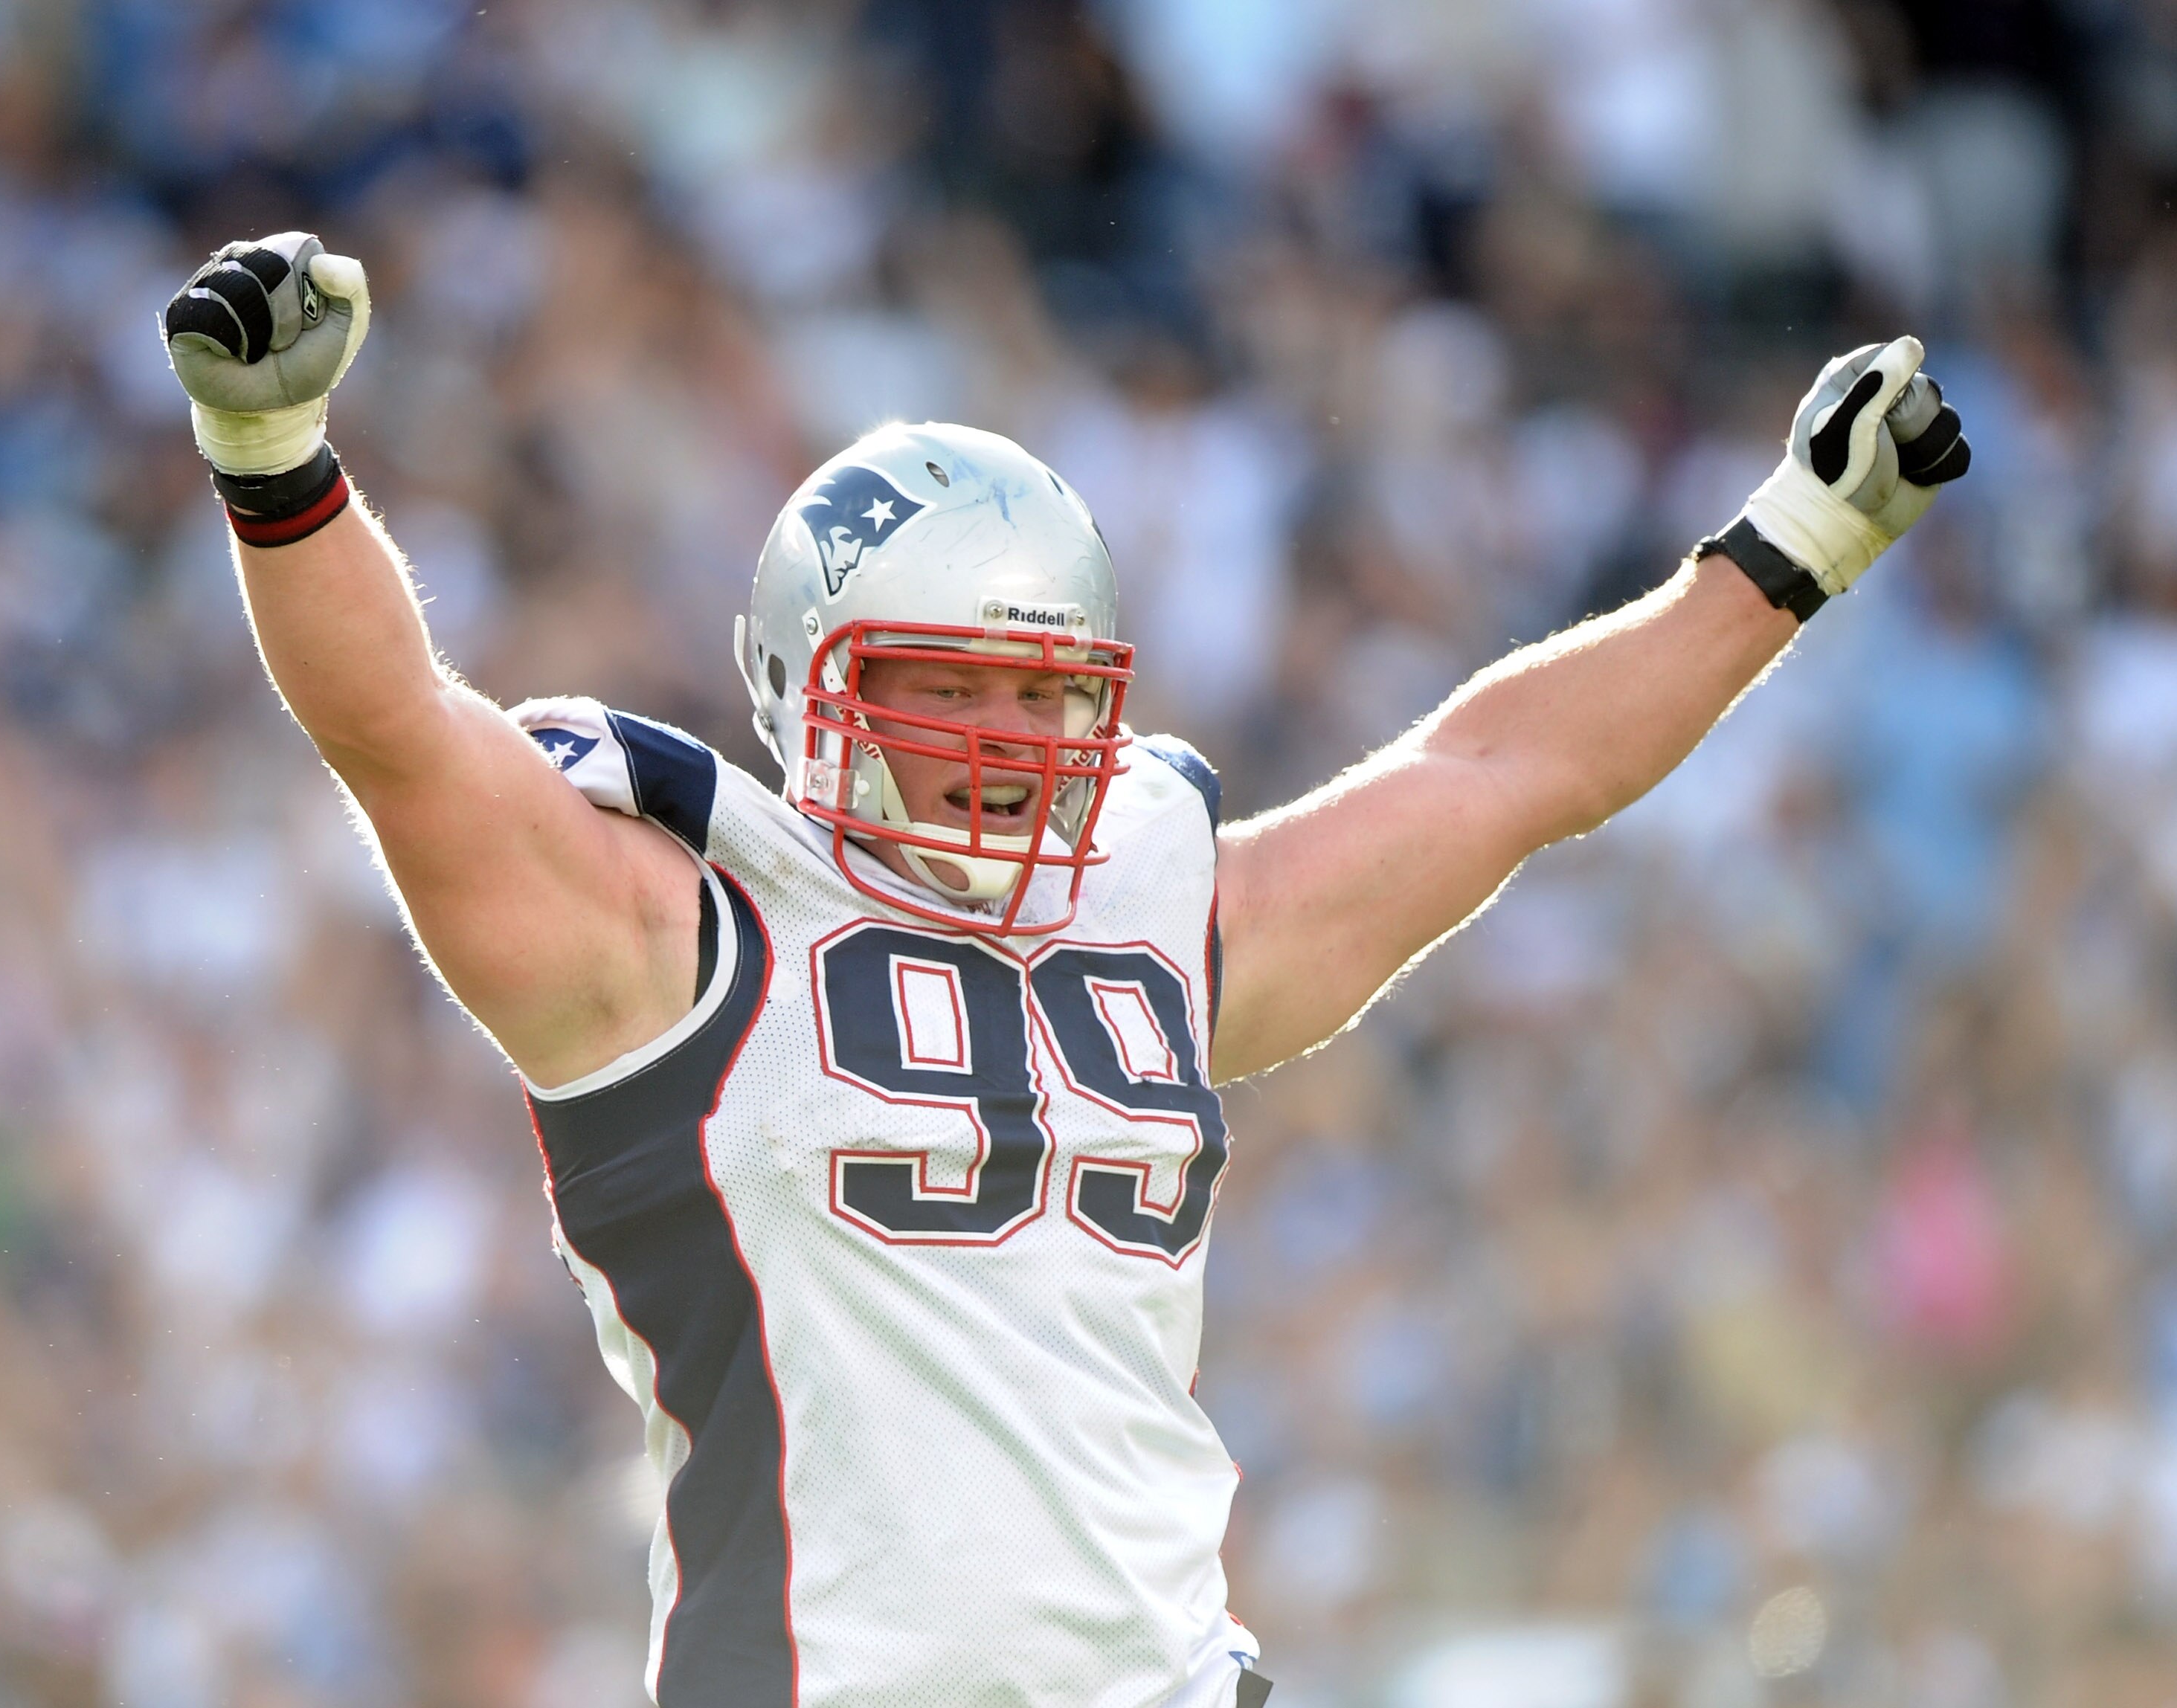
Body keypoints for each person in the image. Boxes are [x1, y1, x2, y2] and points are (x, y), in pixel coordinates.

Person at [159, 233, 1969, 1708]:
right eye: (948, 682)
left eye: (1050, 693)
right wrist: (278, 463)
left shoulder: (1150, 913)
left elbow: (1496, 777)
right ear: (813, 683)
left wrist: (1792, 551)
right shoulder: (666, 936)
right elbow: (399, 731)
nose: (1011, 740)